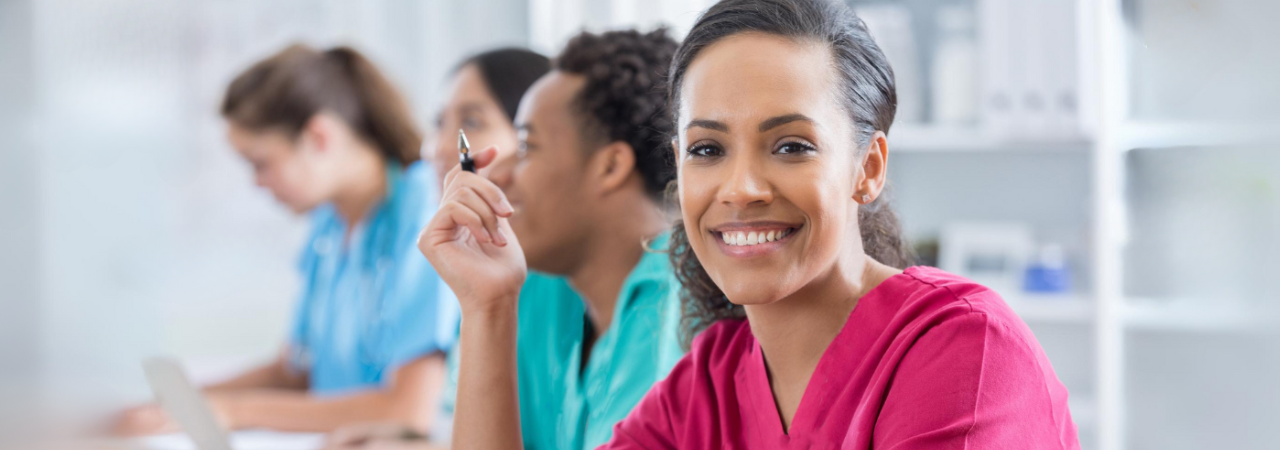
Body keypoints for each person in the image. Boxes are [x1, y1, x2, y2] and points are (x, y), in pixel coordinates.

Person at [421, 0, 1083, 448]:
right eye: (708, 150)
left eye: (791, 145)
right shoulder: (706, 386)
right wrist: (489, 306)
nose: (741, 188)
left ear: (868, 166)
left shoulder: (963, 351)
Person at [353, 29, 685, 450]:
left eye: (526, 145)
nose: (499, 172)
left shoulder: (677, 313)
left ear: (610, 166)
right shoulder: (559, 291)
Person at [115, 44, 458, 435]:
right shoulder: (328, 226)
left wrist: (233, 411)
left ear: (319, 136)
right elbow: (294, 371)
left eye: (260, 163)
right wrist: (174, 405)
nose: (257, 183)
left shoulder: (425, 214)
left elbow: (407, 410)